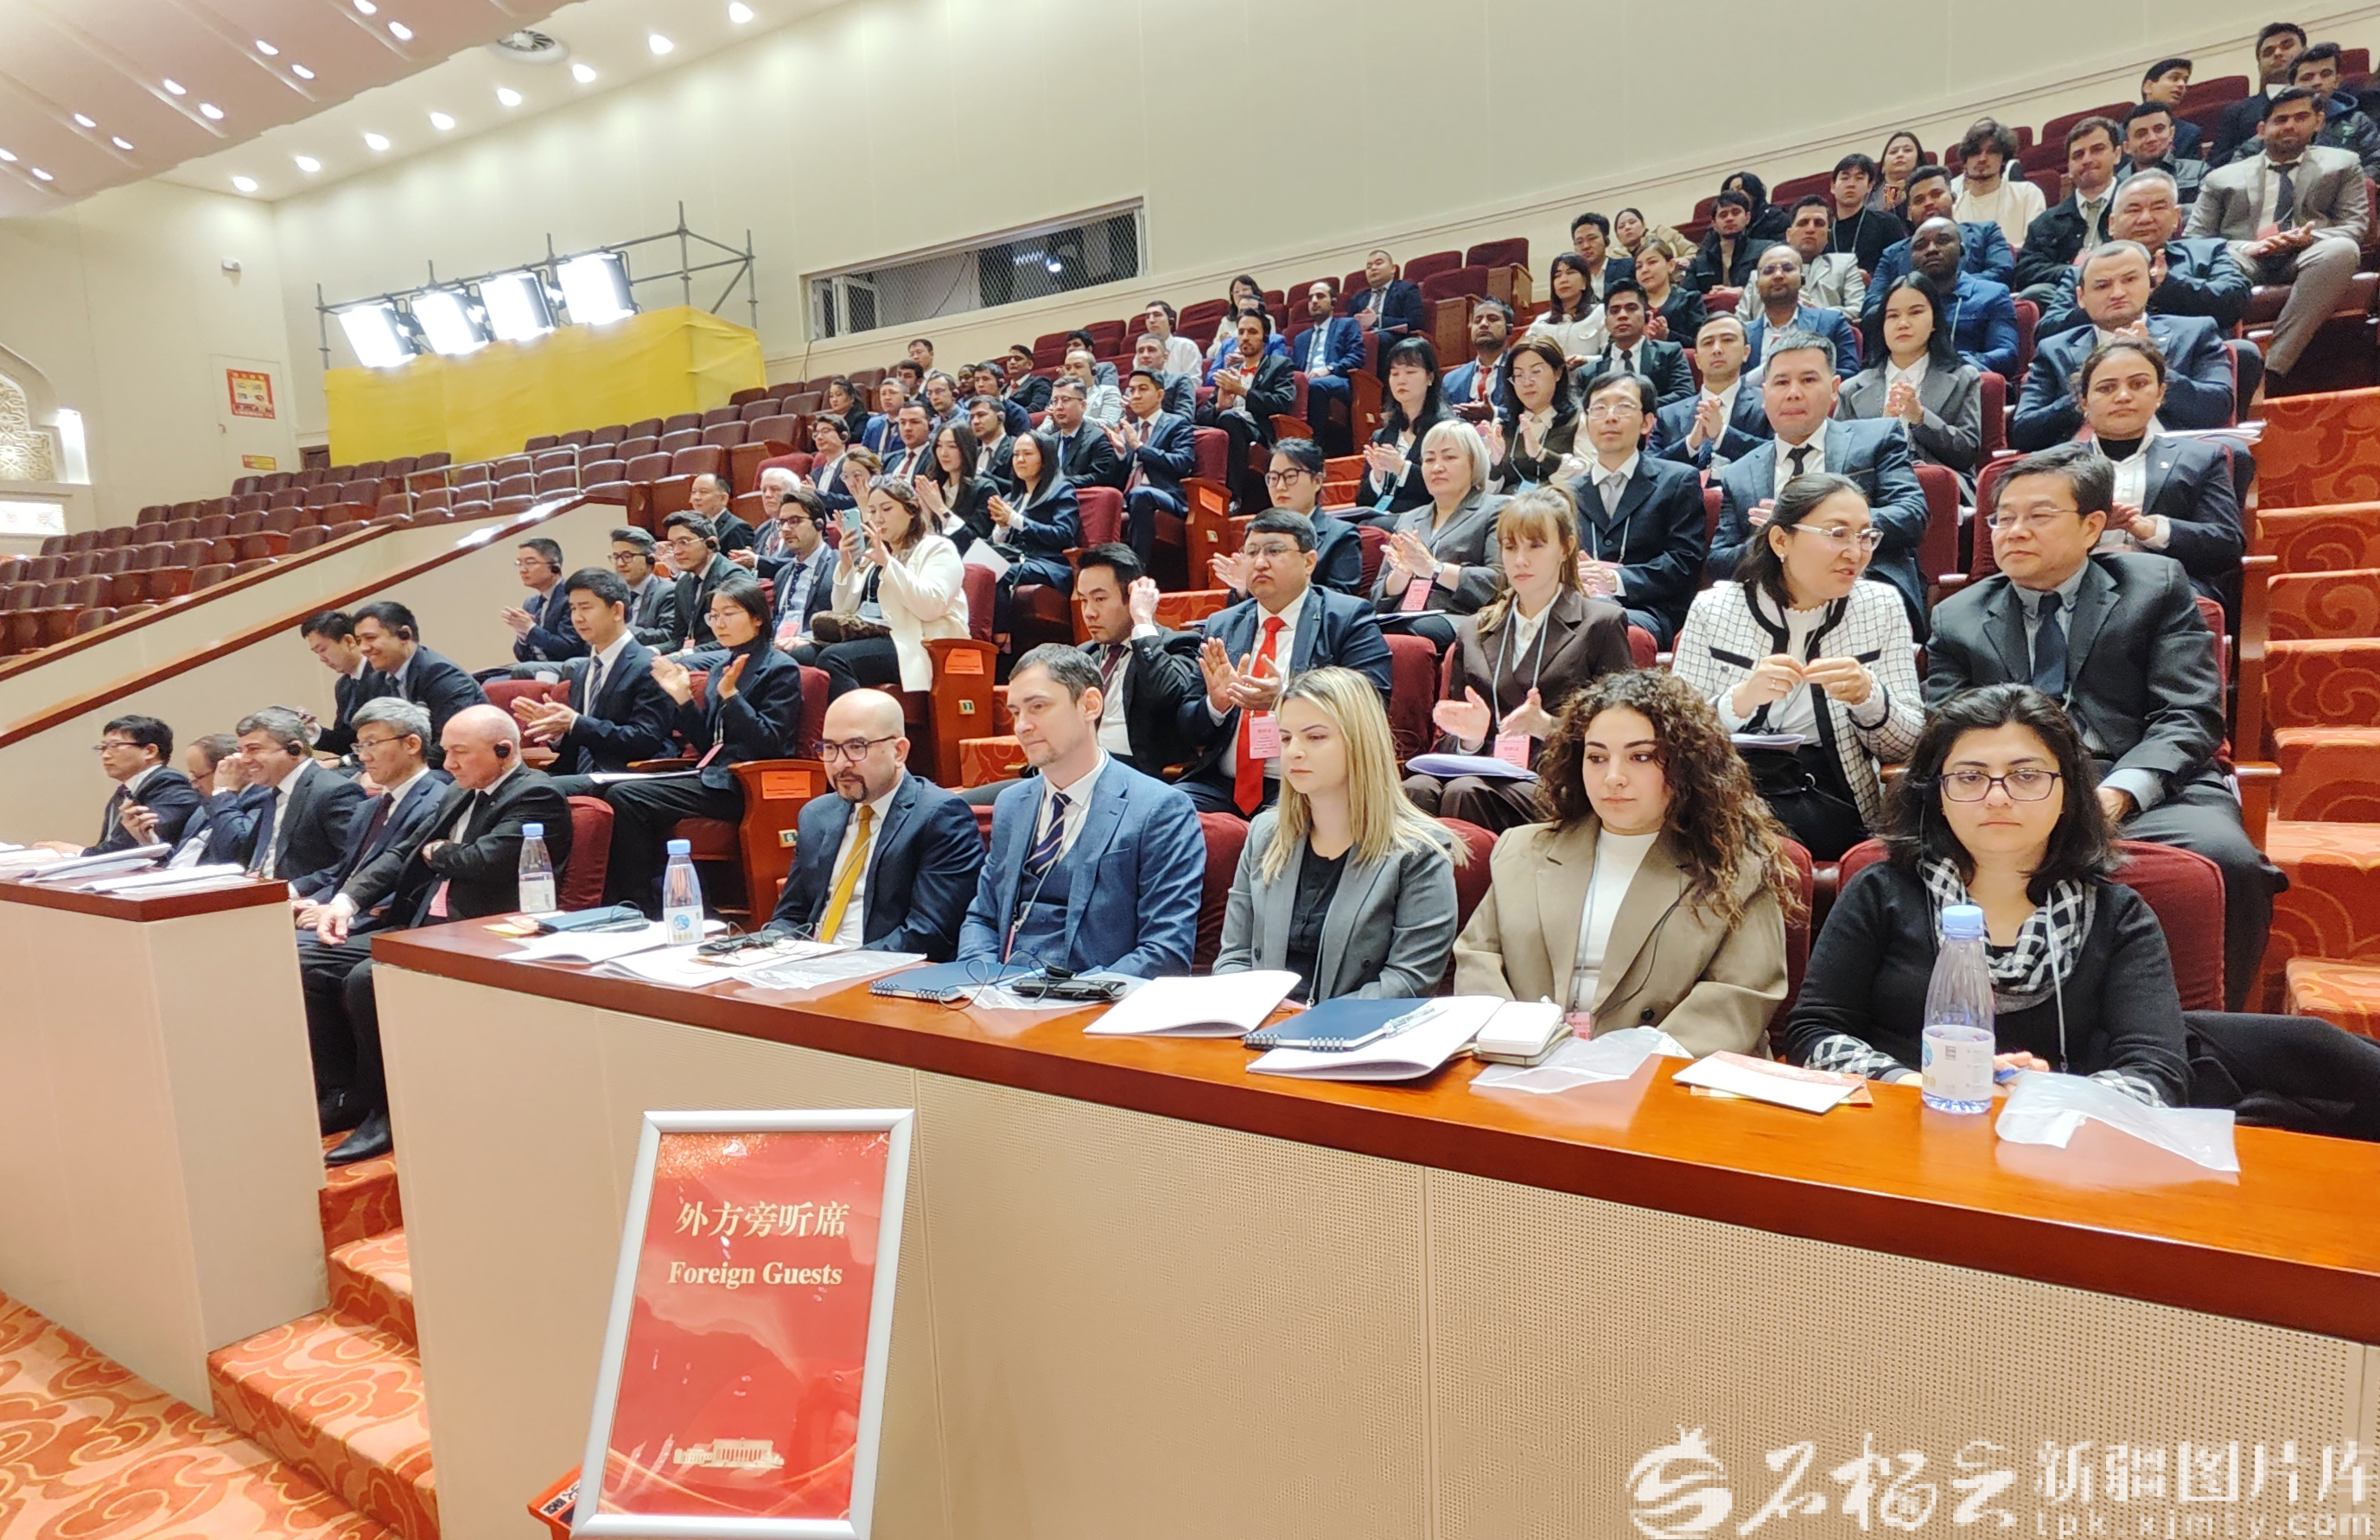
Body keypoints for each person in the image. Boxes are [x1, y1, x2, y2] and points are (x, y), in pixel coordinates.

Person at [1786, 683, 2380, 1139]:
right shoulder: (1882, 891)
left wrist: (2052, 1098)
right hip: (1901, 1129)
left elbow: (2157, 1070)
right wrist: (1917, 1083)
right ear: (1935, 794)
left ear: (2068, 790)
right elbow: (1815, 1030)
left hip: (2066, 1143)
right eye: (1969, 777)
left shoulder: (2118, 913)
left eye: (2026, 776)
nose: (1997, 796)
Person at [1925, 443, 2280, 1010]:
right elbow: (1948, 729)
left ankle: (2213, 1024)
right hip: (2011, 787)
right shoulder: (1958, 616)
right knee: (1910, 851)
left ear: (2092, 526)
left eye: (2038, 516)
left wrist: (2118, 793)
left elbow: (2189, 715)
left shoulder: (2156, 587)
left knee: (2226, 861)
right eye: (2003, 518)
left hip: (2144, 784)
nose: (2014, 532)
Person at [1452, 670, 1797, 1055]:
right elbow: (1478, 960)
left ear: (1685, 765)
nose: (1613, 777)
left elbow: (1737, 999)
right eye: (1597, 757)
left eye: (1641, 757)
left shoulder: (1737, 866)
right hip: (1520, 1066)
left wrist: (1617, 1064)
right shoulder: (1520, 851)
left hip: (1667, 1076)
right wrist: (1515, 1043)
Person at [304, 703, 570, 1163]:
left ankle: (388, 1110)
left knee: (367, 977)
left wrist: (440, 850)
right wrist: (345, 902)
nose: (449, 764)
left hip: (487, 931)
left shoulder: (536, 795)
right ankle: (345, 1093)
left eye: (460, 752)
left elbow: (480, 862)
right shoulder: (458, 791)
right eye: (446, 752)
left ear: (503, 750)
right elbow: (403, 853)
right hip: (425, 925)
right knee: (307, 961)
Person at [1672, 474, 1925, 859]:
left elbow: (1908, 743)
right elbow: (1676, 735)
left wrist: (1869, 698)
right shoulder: (1715, 609)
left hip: (1833, 788)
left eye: (1865, 536)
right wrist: (1740, 701)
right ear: (1780, 541)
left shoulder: (1881, 606)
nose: (1855, 552)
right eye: (1838, 534)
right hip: (1730, 782)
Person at [958, 645, 1206, 977]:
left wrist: (1073, 996)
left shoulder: (1159, 809)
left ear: (1090, 705)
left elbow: (1165, 951)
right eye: (1016, 712)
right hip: (999, 992)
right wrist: (982, 980)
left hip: (1096, 998)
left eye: (1038, 707)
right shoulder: (1011, 805)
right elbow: (982, 919)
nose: (1022, 726)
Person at [1216, 668, 1461, 1002]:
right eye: (1286, 738)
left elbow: (1408, 981)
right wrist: (1249, 1010)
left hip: (1355, 1027)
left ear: (1360, 742)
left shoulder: (1420, 850)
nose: (1294, 751)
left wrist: (1307, 1022)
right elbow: (1234, 957)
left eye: (1315, 737)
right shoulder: (1264, 833)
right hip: (1262, 1021)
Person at [1403, 487, 1632, 832]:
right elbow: (1447, 739)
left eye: (1535, 546)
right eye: (1510, 547)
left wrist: (1548, 727)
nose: (1520, 560)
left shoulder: (1600, 623)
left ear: (1565, 548)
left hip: (1558, 779)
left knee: (1466, 792)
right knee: (1416, 789)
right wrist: (1470, 739)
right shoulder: (1473, 629)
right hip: (1482, 770)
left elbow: (1623, 728)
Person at [603, 576, 805, 911]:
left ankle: (638, 907)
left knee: (627, 797)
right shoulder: (720, 668)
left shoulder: (780, 669)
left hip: (745, 784)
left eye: (729, 613)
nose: (719, 623)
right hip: (712, 775)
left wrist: (732, 697)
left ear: (757, 617)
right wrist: (682, 700)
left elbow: (769, 741)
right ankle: (655, 900)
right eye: (714, 615)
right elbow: (708, 741)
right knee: (612, 790)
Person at [1709, 333, 1932, 630]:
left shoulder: (1876, 439)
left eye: (1808, 380)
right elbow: (1719, 560)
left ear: (1834, 388)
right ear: (1765, 394)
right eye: (1781, 382)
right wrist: (1777, 537)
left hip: (1863, 587)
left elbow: (1912, 516)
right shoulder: (1740, 472)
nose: (1793, 393)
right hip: (1770, 603)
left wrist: (1825, 527)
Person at [1179, 510, 1391, 816]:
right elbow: (1190, 729)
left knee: (1272, 827)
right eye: (1251, 552)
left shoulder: (1346, 618)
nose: (1260, 562)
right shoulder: (1222, 625)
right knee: (1161, 812)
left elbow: (1372, 702)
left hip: (1306, 784)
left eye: (1274, 551)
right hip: (1223, 783)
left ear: (1309, 562)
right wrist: (1216, 705)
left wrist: (1285, 699)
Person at [758, 690, 982, 959]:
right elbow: (791, 915)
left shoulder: (939, 816)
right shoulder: (816, 815)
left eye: (856, 747)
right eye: (830, 748)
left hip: (884, 971)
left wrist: (844, 964)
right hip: (809, 967)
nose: (840, 764)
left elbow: (929, 932)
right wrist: (769, 950)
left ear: (899, 751)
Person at [2189, 86, 2371, 385]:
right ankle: (2215, 368)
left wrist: (2307, 239)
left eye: (2300, 117)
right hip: (2246, 258)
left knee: (2342, 249)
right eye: (2281, 119)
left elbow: (2354, 227)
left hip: (2308, 253)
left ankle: (2271, 368)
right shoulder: (2221, 178)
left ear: (2318, 121)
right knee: (2210, 266)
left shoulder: (2342, 164)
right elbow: (2196, 242)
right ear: (2262, 130)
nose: (2290, 125)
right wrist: (2248, 247)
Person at [2012, 241, 2236, 449]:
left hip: (2173, 456)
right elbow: (2024, 432)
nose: (2117, 293)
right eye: (2102, 286)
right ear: (2081, 297)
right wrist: (2089, 388)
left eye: (2129, 280)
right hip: (2082, 461)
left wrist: (2153, 364)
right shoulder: (2054, 350)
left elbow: (2217, 408)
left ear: (2150, 283)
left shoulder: (2195, 333)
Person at [2072, 338, 2247, 603]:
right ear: (2084, 402)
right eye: (2106, 388)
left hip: (2168, 587)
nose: (2123, 396)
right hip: (2073, 584)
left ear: (2160, 394)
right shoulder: (2054, 466)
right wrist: (2090, 528)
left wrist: (2155, 530)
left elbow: (2226, 546)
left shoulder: (2201, 458)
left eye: (2138, 384)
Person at [1560, 370, 1710, 648]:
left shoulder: (1677, 480)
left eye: (1623, 406)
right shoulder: (1566, 493)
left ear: (1647, 422)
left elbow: (1684, 562)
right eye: (1599, 408)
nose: (1610, 417)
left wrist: (1615, 579)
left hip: (1648, 609)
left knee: (1602, 624)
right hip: (1577, 603)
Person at [809, 477, 967, 700]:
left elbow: (930, 607)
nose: (878, 518)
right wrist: (846, 565)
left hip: (918, 641)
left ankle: (861, 722)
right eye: (872, 511)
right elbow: (842, 610)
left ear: (912, 510)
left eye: (887, 509)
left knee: (834, 659)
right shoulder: (876, 553)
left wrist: (888, 563)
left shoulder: (938, 548)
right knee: (799, 656)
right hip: (872, 634)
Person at [2046, 169, 2251, 334]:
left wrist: (2168, 286)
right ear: (2112, 224)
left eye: (2158, 208)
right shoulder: (2086, 272)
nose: (2145, 218)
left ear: (2176, 217)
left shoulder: (2208, 251)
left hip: (2187, 358)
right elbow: (2047, 329)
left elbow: (2236, 302)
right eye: (2133, 209)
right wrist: (2100, 303)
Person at [516, 568, 677, 777]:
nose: (577, 618)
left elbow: (646, 740)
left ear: (617, 611)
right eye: (573, 609)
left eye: (586, 608)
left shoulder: (649, 667)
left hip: (623, 774)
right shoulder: (582, 670)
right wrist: (558, 732)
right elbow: (578, 746)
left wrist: (576, 723)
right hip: (579, 774)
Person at [1371, 420, 1508, 651]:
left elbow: (1499, 582)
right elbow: (1376, 597)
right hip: (1404, 615)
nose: (1437, 467)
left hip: (1462, 616)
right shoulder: (1409, 519)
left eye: (1449, 457)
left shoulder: (1497, 510)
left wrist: (1435, 569)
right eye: (1429, 459)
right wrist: (1400, 576)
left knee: (1410, 635)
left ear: (1474, 463)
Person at [1838, 274, 1985, 487]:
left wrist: (1921, 418)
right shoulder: (1851, 389)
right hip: (1870, 492)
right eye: (1892, 316)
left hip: (1941, 488)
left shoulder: (1964, 378)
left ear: (1934, 321)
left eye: (1915, 312)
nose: (1903, 323)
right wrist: (1881, 430)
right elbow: (1839, 460)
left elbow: (1967, 453)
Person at [229, 706, 366, 887]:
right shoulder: (273, 793)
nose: (244, 759)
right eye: (241, 750)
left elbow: (352, 866)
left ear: (294, 749)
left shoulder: (335, 792)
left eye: (253, 749)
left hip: (303, 897)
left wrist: (291, 890)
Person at [38, 713, 200, 856]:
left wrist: (79, 853)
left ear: (150, 751)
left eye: (115, 746)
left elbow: (138, 842)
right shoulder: (125, 791)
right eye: (103, 747)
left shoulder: (170, 784)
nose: (105, 755)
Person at [1881, 216, 2020, 379]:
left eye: (1942, 241)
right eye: (1921, 246)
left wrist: (1956, 362)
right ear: (1911, 258)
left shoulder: (1992, 294)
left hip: (1970, 383)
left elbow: (2007, 356)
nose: (1931, 249)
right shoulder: (1900, 304)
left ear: (1961, 249)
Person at [351, 601, 487, 759]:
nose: (363, 648)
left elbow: (451, 742)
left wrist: (404, 769)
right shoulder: (376, 681)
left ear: (404, 635)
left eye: (370, 638)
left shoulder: (441, 674)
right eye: (359, 641)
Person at [1196, 308, 1298, 510]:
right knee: (1213, 423)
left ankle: (1234, 498)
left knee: (1229, 419)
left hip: (1260, 431)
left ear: (1264, 337)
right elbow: (1201, 418)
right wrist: (1219, 406)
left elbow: (1282, 403)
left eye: (1252, 332)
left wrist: (1243, 391)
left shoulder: (1279, 365)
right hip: (1229, 427)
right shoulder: (1230, 371)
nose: (1245, 337)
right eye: (1241, 332)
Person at [2015, 118, 2125, 304]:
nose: (2087, 160)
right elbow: (2027, 270)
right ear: (2069, 166)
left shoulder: (2137, 205)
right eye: (2078, 155)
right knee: (2035, 294)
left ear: (2117, 154)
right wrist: (2075, 272)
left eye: (2097, 150)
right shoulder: (2046, 222)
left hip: (2126, 285)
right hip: (2068, 296)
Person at [1866, 166, 2018, 297]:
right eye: (1919, 200)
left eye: (1936, 194)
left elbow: (2002, 272)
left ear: (1952, 197)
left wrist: (1944, 288)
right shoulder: (1892, 254)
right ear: (1910, 211)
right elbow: (1873, 300)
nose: (1929, 203)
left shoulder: (1986, 232)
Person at [983, 428, 1081, 625]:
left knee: (997, 571)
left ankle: (1001, 635)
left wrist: (1015, 519)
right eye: (1016, 454)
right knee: (969, 566)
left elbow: (1063, 535)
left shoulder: (1062, 490)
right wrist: (1002, 527)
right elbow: (1002, 543)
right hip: (1018, 558)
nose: (1020, 460)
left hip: (1049, 563)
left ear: (1044, 459)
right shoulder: (1012, 498)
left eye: (1027, 454)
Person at [1244, 440, 1364, 595]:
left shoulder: (1341, 536)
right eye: (1273, 478)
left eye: (1290, 476)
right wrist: (1242, 590)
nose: (1280, 486)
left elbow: (1341, 599)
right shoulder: (1257, 535)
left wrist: (1282, 583)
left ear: (1317, 481)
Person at [1652, 314, 1771, 469]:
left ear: (1746, 352)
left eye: (1727, 340)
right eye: (1708, 343)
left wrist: (1722, 435)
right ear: (1697, 360)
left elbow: (1777, 455)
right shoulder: (1668, 416)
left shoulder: (1769, 405)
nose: (1717, 350)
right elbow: (1650, 470)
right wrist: (1689, 445)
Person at [2244, 43, 2380, 176]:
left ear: (2336, 81)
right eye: (2307, 77)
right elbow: (2242, 161)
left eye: (2325, 74)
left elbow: (2377, 161)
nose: (2317, 82)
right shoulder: (2280, 124)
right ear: (2292, 86)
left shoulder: (2357, 121)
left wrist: (2353, 183)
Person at [1111, 366, 1200, 570]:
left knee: (1140, 494)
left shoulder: (1176, 424)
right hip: (1128, 497)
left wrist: (1140, 448)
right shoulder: (1128, 430)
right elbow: (1115, 479)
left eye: (1142, 389)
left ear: (1160, 395)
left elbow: (1181, 463)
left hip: (1166, 495)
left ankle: (1137, 569)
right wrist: (1120, 453)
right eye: (1132, 390)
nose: (1135, 395)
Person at [1354, 336, 1445, 521]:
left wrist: (1402, 469)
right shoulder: (1382, 436)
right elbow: (1363, 502)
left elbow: (1446, 486)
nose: (1401, 380)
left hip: (1427, 518)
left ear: (1430, 378)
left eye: (1410, 372)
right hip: (1383, 518)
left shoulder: (1446, 430)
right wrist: (1377, 477)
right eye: (1394, 374)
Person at [1740, 246, 1861, 380]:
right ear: (1757, 285)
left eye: (1787, 268)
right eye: (1769, 271)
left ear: (1802, 280)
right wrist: (1762, 372)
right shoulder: (1743, 334)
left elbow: (1850, 373)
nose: (1778, 275)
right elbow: (1730, 384)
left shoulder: (1831, 322)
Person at [1480, 335, 1581, 491]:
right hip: (1509, 504)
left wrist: (1542, 455)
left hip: (1559, 503)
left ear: (1558, 373)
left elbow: (1586, 476)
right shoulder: (1503, 425)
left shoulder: (1577, 419)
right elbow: (1486, 491)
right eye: (1519, 375)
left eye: (1536, 371)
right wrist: (1495, 464)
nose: (1527, 382)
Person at [1736, 197, 1864, 316]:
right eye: (1803, 223)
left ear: (1828, 235)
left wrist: (1815, 314)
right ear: (1789, 234)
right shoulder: (1762, 273)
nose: (1810, 229)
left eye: (1819, 223)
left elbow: (1858, 309)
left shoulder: (1844, 264)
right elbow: (1740, 322)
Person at [1583, 279, 1695, 405]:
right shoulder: (1589, 372)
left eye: (1631, 308)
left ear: (1646, 317)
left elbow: (1685, 395)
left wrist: (1636, 407)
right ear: (1606, 323)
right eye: (1614, 311)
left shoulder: (1669, 354)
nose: (1622, 315)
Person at [2212, 23, 2308, 167]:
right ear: (2259, 67)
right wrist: (2255, 142)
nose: (2277, 53)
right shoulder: (2237, 112)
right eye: (2268, 52)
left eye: (2286, 46)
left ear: (2305, 52)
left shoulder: (2327, 98)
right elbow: (2214, 166)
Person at [1950, 118, 2048, 251]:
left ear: (2003, 157)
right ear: (1965, 161)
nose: (1982, 159)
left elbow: (2035, 247)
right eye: (1975, 152)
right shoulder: (1955, 211)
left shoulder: (2027, 194)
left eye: (1991, 152)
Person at [300, 609, 386, 759]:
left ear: (349, 641)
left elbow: (383, 737)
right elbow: (345, 743)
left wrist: (344, 762)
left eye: (323, 650)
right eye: (317, 653)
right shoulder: (343, 686)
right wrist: (314, 730)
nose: (322, 659)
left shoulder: (384, 675)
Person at [1293, 278, 1367, 449]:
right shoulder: (1300, 338)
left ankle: (1313, 446)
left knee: (1316, 385)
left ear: (1333, 302)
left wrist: (1328, 369)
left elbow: (1356, 357)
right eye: (1311, 298)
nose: (1314, 301)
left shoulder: (1347, 325)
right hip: (1306, 381)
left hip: (1338, 379)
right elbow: (1295, 368)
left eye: (1320, 296)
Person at [657, 512, 743, 655]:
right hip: (694, 653)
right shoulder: (684, 583)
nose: (676, 552)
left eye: (684, 542)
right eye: (672, 544)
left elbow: (738, 638)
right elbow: (677, 639)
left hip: (728, 655)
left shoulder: (733, 578)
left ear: (711, 544)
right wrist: (653, 651)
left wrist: (686, 654)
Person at [914, 417, 999, 551]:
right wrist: (925, 515)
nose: (943, 453)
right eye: (939, 446)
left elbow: (974, 543)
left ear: (966, 449)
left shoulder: (985, 489)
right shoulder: (934, 485)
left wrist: (941, 509)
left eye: (952, 446)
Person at [501, 537, 583, 664]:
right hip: (538, 669)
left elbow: (568, 649)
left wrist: (531, 629)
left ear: (555, 567)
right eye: (519, 563)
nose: (523, 570)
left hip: (568, 667)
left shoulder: (571, 598)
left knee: (519, 671)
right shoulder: (530, 603)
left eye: (530, 563)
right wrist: (523, 634)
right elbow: (523, 657)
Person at [1826, 153, 1911, 272]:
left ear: (1869, 186)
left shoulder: (1887, 223)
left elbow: (1901, 269)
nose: (1851, 184)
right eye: (1845, 178)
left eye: (1859, 178)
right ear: (1833, 186)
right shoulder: (1824, 232)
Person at [2116, 101, 2209, 205]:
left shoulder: (2198, 172)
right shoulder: (2116, 186)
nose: (2152, 138)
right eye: (2141, 134)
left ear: (2171, 133)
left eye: (2159, 129)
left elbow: (2208, 212)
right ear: (2127, 147)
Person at [1526, 255, 1607, 372]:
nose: (1563, 280)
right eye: (1557, 276)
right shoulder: (1540, 322)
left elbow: (1613, 356)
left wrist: (1586, 360)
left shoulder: (1601, 313)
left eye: (1570, 273)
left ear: (1584, 281)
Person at [1441, 298, 1515, 421]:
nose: (1483, 324)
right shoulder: (1451, 380)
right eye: (1477, 320)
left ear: (1509, 328)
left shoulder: (1520, 371)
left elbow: (1531, 412)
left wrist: (1495, 414)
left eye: (1493, 319)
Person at [1047, 375, 1125, 489]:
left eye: (1065, 400)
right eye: (1055, 401)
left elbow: (1101, 477)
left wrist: (1059, 482)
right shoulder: (1049, 442)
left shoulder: (1099, 438)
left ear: (1083, 405)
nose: (1058, 407)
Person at [608, 529, 680, 649]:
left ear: (650, 560)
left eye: (627, 556)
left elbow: (668, 636)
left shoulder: (668, 592)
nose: (620, 564)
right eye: (616, 557)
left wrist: (621, 630)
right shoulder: (611, 592)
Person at [1349, 249, 1425, 360]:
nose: (1373, 268)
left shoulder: (1407, 289)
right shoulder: (1359, 297)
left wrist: (1377, 320)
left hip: (1394, 339)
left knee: (1379, 338)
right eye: (1369, 266)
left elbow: (1414, 322)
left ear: (1393, 268)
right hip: (1362, 338)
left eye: (1379, 263)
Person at [1631, 240, 1706, 347]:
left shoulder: (1690, 299)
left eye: (1652, 262)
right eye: (1639, 267)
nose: (1644, 270)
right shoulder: (1631, 305)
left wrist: (1667, 336)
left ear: (1671, 265)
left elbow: (1701, 342)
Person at [1687, 190, 1762, 293]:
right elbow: (1687, 298)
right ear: (1714, 224)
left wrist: (1743, 291)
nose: (1729, 218)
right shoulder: (1700, 263)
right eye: (1723, 215)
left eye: (1736, 212)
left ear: (1747, 218)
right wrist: (1708, 297)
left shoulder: (1765, 251)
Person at [2140, 56, 2205, 161]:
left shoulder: (2189, 133)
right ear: (2148, 87)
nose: (2182, 85)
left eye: (2185, 81)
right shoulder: (2120, 132)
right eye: (2174, 78)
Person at [1569, 212, 1637, 299]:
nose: (1586, 246)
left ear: (1606, 240)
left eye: (1592, 238)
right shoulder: (1574, 279)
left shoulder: (1628, 266)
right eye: (1579, 242)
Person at [685, 474, 754, 556]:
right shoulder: (690, 527)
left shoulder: (737, 528)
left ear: (723, 498)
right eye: (693, 492)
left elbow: (738, 562)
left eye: (703, 492)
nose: (696, 497)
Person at [1141, 301, 1204, 382]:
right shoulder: (1141, 354)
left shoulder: (1186, 346)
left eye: (1157, 315)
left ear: (1171, 320)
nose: (1151, 320)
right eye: (1147, 317)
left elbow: (1193, 382)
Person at [808, 416, 857, 517]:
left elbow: (857, 500)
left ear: (843, 436)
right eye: (816, 434)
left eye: (825, 431)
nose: (819, 437)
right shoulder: (815, 474)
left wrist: (817, 495)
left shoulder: (854, 466)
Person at [1062, 347, 1124, 429]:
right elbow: (1045, 430)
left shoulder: (1109, 391)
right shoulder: (1060, 398)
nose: (1071, 372)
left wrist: (1074, 418)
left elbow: (1109, 425)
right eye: (1068, 368)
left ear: (1093, 371)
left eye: (1078, 367)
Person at [1614, 207, 1697, 264]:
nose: (1627, 227)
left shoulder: (1664, 233)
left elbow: (1694, 252)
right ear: (1617, 236)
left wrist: (1683, 261)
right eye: (1621, 227)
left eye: (1632, 222)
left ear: (1643, 225)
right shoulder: (1615, 257)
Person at [1870, 130, 1926, 214]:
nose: (1900, 155)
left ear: (1918, 160)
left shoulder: (1930, 188)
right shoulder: (1867, 194)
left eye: (1907, 150)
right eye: (1893, 152)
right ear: (1883, 167)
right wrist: (1892, 194)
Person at [881, 399, 936, 480]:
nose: (907, 428)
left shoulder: (936, 459)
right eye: (903, 422)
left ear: (929, 425)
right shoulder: (889, 459)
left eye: (914, 422)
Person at [1002, 347, 1051, 415]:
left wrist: (1009, 417)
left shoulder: (1040, 382)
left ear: (1030, 364)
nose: (1012, 362)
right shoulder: (1001, 388)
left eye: (1018, 358)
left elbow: (1037, 408)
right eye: (1009, 359)